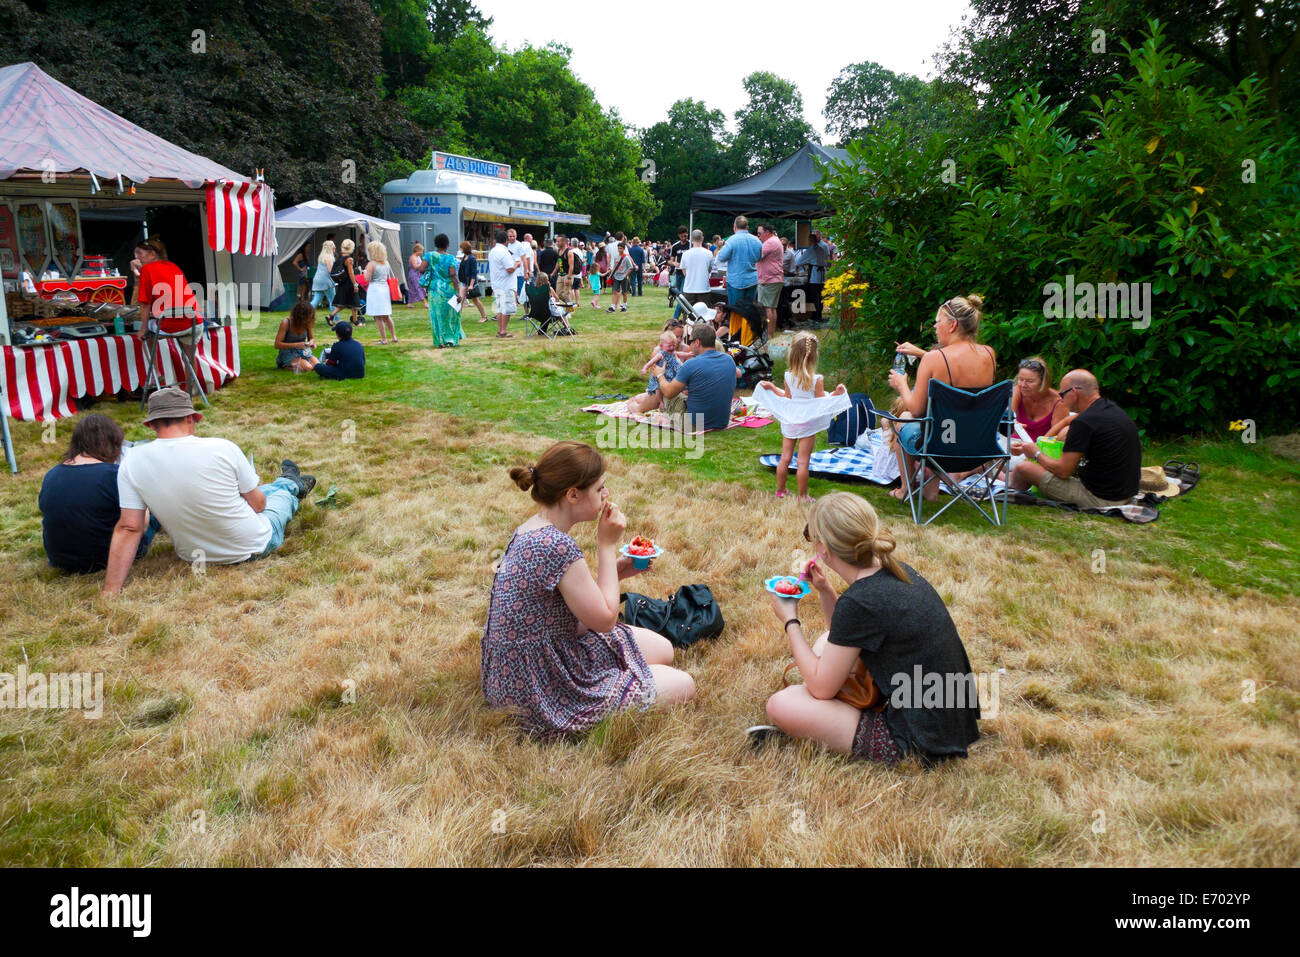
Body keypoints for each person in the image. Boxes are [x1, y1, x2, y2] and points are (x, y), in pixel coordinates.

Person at [482, 441, 696, 736]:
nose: (606, 495)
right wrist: (606, 545)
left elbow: (564, 613)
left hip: (517, 671)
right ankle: (605, 691)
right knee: (684, 684)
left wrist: (617, 572)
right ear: (572, 494)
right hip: (539, 689)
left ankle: (619, 678)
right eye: (600, 489)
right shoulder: (556, 546)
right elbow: (605, 621)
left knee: (664, 650)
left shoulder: (530, 530)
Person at [755, 493, 982, 764]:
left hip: (920, 739)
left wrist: (790, 620)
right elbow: (844, 634)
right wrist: (826, 591)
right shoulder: (898, 571)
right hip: (950, 716)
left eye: (810, 535)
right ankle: (819, 720)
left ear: (824, 548)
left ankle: (838, 730)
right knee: (826, 643)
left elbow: (821, 689)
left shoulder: (861, 600)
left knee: (781, 704)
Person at [101, 388, 317, 595]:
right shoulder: (223, 448)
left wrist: (110, 591)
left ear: (151, 425)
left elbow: (130, 527)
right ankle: (290, 484)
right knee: (278, 498)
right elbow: (259, 505)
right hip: (254, 545)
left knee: (255, 492)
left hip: (194, 555)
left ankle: (286, 481)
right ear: (191, 418)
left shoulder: (131, 461)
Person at [888, 294, 997, 501]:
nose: (935, 327)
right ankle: (930, 491)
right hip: (979, 445)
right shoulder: (989, 354)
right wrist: (923, 354)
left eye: (938, 322)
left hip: (940, 448)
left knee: (905, 420)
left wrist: (902, 385)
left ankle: (905, 490)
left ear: (953, 324)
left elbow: (917, 409)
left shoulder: (933, 359)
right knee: (946, 424)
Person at [39, 414, 160, 573]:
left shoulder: (51, 474)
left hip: (59, 559)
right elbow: (139, 526)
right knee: (153, 515)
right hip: (106, 559)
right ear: (114, 442)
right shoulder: (114, 475)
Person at [1009, 369, 1141, 507]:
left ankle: (1005, 486)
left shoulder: (1084, 422)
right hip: (1126, 493)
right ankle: (1002, 477)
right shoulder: (1109, 409)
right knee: (1063, 436)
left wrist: (1036, 453)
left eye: (1062, 394)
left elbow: (1063, 471)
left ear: (1074, 392)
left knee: (1024, 468)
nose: (1060, 399)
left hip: (1102, 499)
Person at [755, 332, 849, 500]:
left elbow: (787, 397)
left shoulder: (787, 376)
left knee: (784, 458)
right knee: (803, 461)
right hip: (807, 423)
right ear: (814, 356)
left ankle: (781, 490)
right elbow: (821, 402)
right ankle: (802, 496)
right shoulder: (816, 379)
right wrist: (836, 393)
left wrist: (772, 388)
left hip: (790, 421)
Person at [133, 237, 204, 394]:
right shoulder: (173, 266)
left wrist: (143, 328)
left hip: (169, 325)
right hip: (194, 321)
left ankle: (156, 374)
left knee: (147, 333)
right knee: (189, 357)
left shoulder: (147, 270)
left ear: (152, 254)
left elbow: (144, 303)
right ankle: (189, 391)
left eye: (140, 253)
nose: (137, 257)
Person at [651, 323, 737, 432]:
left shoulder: (692, 364)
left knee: (664, 392)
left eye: (690, 341)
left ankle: (665, 416)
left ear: (697, 342)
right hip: (722, 422)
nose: (689, 345)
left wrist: (659, 375)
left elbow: (669, 392)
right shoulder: (729, 360)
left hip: (694, 425)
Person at [1012, 356, 1069, 442]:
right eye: (1020, 379)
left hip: (1043, 448)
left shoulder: (1059, 402)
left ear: (1043, 382)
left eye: (1030, 381)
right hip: (1015, 445)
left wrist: (1034, 450)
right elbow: (1006, 419)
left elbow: (1057, 439)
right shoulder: (1017, 391)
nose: (1023, 385)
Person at [626, 330, 682, 414]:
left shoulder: (674, 353)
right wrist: (645, 368)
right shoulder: (660, 354)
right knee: (657, 391)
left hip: (670, 379)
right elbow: (651, 363)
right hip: (660, 378)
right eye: (670, 345)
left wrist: (688, 355)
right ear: (662, 346)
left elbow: (680, 354)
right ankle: (659, 402)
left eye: (674, 345)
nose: (672, 347)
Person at [422, 233, 461, 348]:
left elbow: (421, 269)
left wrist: (431, 270)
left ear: (436, 244)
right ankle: (450, 339)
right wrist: (458, 291)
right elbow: (453, 275)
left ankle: (440, 341)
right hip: (449, 289)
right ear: (447, 245)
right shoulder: (450, 258)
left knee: (436, 315)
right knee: (451, 315)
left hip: (434, 290)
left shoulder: (429, 256)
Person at [716, 216, 761, 309]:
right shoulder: (757, 240)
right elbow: (760, 257)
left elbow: (721, 257)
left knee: (736, 310)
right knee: (749, 310)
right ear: (747, 227)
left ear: (734, 227)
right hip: (752, 280)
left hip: (736, 281)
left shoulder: (732, 240)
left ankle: (737, 324)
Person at [362, 241, 397, 344]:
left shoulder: (371, 264)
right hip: (384, 288)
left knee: (378, 316)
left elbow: (367, 279)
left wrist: (364, 273)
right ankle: (394, 336)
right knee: (386, 315)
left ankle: (384, 339)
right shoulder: (386, 263)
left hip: (375, 289)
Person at [755, 224, 784, 338]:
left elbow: (757, 256)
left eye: (759, 233)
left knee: (767, 309)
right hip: (773, 279)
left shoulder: (770, 242)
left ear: (767, 232)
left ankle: (768, 335)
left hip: (769, 279)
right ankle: (770, 334)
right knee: (771, 308)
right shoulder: (775, 241)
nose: (758, 236)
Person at [487, 229, 518, 338]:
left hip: (496, 283)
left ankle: (500, 330)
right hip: (506, 284)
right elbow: (509, 269)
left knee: (500, 308)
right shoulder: (504, 251)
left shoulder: (493, 251)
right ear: (506, 240)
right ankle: (503, 331)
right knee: (507, 308)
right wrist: (516, 265)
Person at [794, 232, 830, 319]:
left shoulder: (810, 250)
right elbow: (828, 258)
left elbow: (798, 262)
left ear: (810, 240)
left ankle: (815, 315)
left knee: (815, 295)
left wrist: (808, 261)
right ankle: (819, 314)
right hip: (823, 272)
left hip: (815, 273)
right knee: (821, 295)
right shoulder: (824, 246)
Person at [678, 229, 715, 312]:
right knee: (704, 315)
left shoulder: (685, 254)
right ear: (702, 238)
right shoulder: (709, 253)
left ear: (691, 239)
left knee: (688, 316)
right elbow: (709, 270)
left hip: (689, 289)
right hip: (703, 288)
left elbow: (684, 272)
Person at [273, 301, 317, 371]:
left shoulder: (307, 322)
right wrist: (296, 344)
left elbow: (311, 338)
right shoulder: (286, 323)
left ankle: (298, 365)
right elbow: (277, 345)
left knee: (318, 366)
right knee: (308, 368)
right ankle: (283, 365)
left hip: (303, 351)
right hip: (288, 353)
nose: (308, 319)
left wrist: (311, 343)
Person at [327, 239, 360, 326]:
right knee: (354, 301)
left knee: (343, 303)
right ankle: (355, 321)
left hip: (342, 283)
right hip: (349, 283)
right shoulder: (349, 259)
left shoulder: (340, 258)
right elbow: (351, 272)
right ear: (351, 248)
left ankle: (330, 316)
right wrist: (355, 284)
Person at [456, 240, 489, 322]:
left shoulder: (472, 258)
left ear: (464, 248)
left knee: (475, 300)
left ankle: (484, 317)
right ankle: (457, 318)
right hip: (464, 282)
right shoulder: (464, 257)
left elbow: (473, 273)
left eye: (461, 247)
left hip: (470, 283)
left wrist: (471, 285)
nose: (460, 249)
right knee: (460, 299)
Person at [667, 225, 690, 315]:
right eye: (682, 236)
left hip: (687, 273)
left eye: (685, 236)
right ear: (678, 236)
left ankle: (675, 316)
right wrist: (675, 263)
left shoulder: (690, 245)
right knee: (681, 295)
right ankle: (685, 313)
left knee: (682, 295)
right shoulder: (675, 246)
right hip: (679, 273)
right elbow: (670, 261)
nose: (684, 238)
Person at [607, 242, 635, 313]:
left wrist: (626, 275)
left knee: (624, 292)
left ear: (624, 249)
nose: (619, 250)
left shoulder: (626, 258)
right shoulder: (616, 257)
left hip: (623, 277)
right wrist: (611, 275)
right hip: (616, 276)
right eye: (618, 248)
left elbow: (631, 268)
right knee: (614, 291)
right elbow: (614, 267)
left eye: (621, 248)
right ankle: (612, 306)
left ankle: (624, 306)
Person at [311, 240, 337, 314]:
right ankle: (335, 318)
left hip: (318, 280)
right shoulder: (329, 257)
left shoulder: (321, 257)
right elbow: (330, 271)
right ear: (330, 248)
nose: (335, 249)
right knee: (332, 300)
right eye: (333, 247)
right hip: (326, 281)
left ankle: (304, 314)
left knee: (316, 300)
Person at [507, 228, 530, 300]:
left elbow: (524, 260)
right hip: (509, 272)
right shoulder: (506, 245)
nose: (512, 238)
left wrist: (525, 273)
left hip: (519, 273)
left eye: (513, 236)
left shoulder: (519, 245)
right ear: (507, 236)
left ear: (516, 236)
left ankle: (517, 303)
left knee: (518, 293)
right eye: (510, 236)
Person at [589, 243, 608, 309]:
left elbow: (595, 260)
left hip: (597, 267)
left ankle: (595, 304)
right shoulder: (605, 253)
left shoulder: (597, 253)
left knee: (599, 279)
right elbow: (606, 260)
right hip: (602, 267)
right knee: (604, 279)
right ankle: (604, 290)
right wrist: (607, 269)